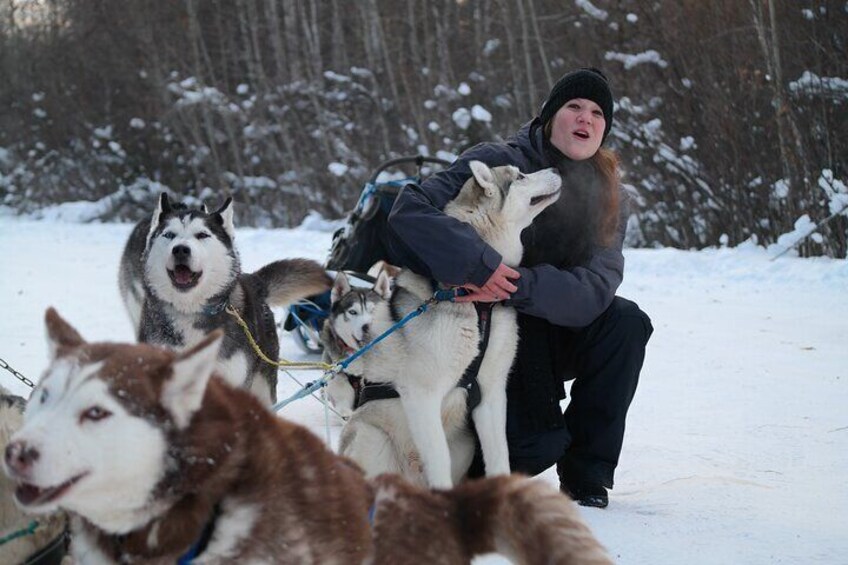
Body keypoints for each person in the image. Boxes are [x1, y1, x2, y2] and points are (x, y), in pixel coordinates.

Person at [383, 67, 653, 508]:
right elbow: (409, 210)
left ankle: (587, 475)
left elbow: (596, 288)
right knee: (531, 449)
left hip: (545, 319)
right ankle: (442, 467)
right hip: (483, 331)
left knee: (625, 322)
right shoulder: (498, 161)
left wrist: (515, 285)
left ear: (605, 129)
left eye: (597, 113)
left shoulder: (610, 196)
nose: (585, 118)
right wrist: (478, 265)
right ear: (550, 116)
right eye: (574, 107)